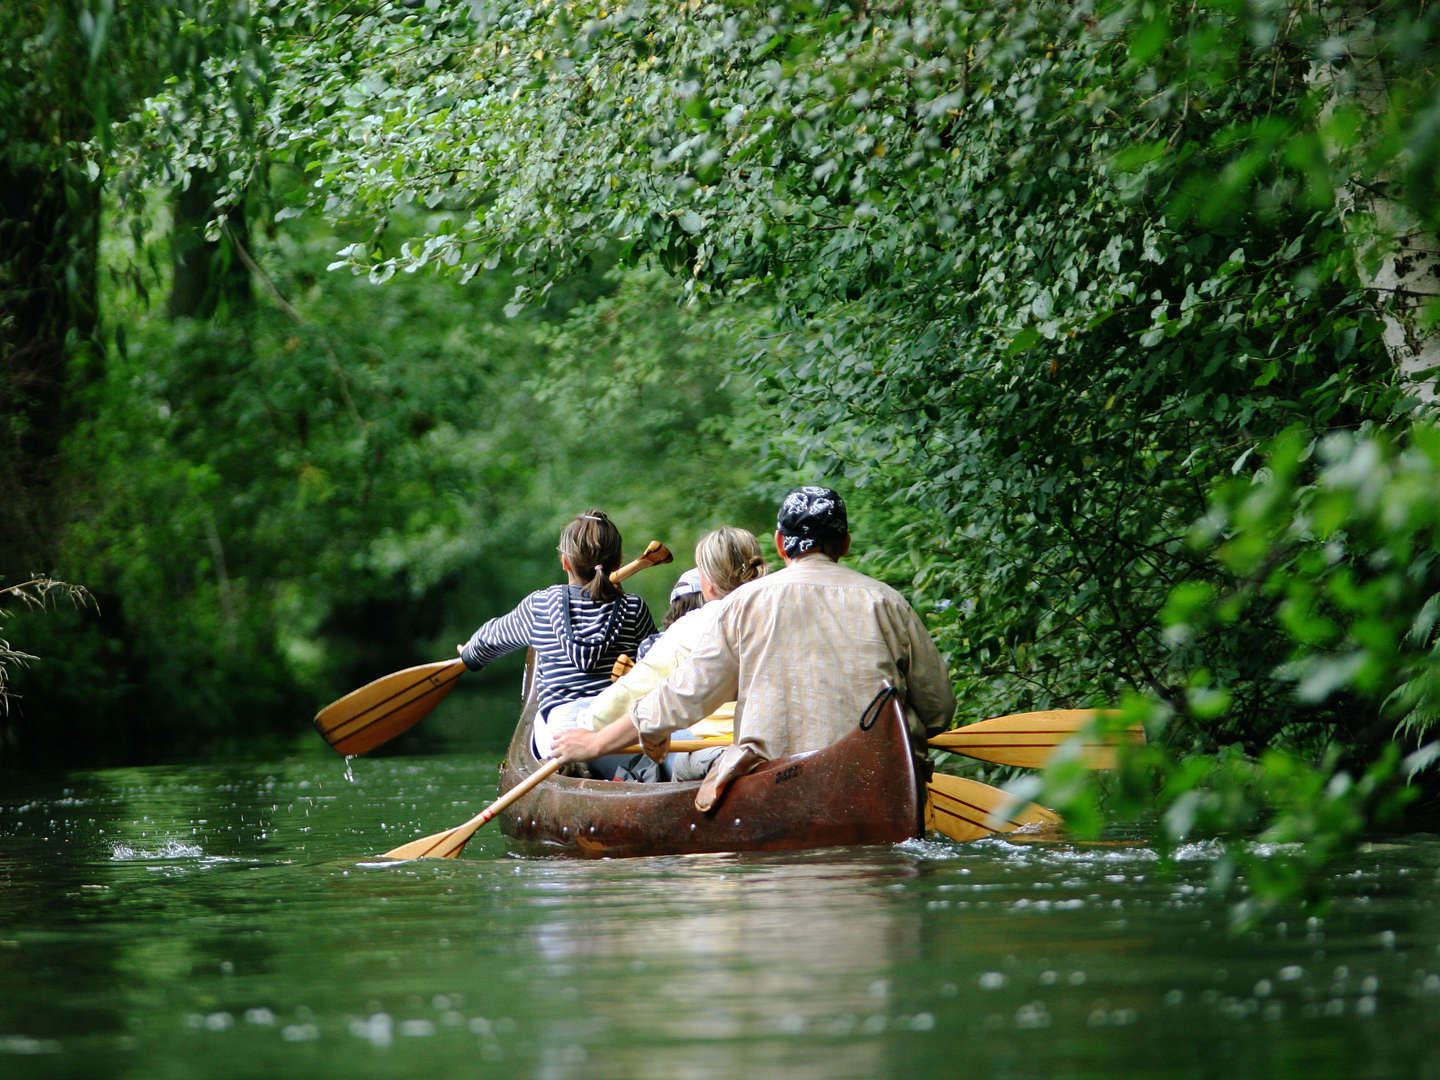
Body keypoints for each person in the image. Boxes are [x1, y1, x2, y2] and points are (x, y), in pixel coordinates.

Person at [552, 486, 956, 809]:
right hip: (877, 781)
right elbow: (939, 710)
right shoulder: (887, 602)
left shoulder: (744, 605)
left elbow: (686, 694)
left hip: (777, 784)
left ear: (781, 544)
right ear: (846, 543)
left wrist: (595, 743)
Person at [458, 509, 656, 758]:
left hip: (560, 735)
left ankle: (574, 768)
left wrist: (470, 655)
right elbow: (655, 664)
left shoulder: (540, 605)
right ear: (616, 562)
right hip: (615, 735)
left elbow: (491, 639)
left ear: (565, 562)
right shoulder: (634, 608)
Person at [579, 526, 768, 781]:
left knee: (634, 757)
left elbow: (626, 695)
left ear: (707, 583)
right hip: (777, 743)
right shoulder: (779, 614)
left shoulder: (690, 627)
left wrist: (584, 727)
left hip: (715, 750)